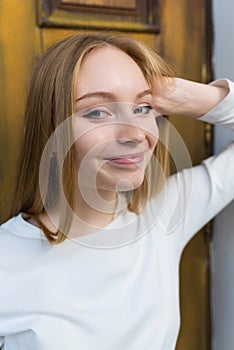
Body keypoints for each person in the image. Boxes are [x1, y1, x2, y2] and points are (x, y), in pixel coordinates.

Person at [0, 32, 233, 350]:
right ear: (51, 130)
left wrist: (180, 94)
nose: (135, 134)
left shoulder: (164, 216)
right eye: (97, 112)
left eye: (143, 109)